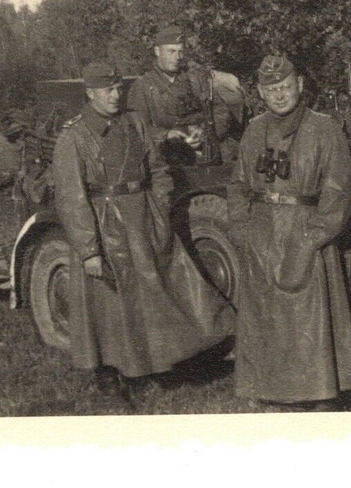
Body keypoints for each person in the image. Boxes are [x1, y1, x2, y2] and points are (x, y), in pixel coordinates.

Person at [52, 60, 235, 398]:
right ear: (90, 94)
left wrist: (160, 206)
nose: (115, 95)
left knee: (156, 294)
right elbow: (71, 198)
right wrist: (88, 249)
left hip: (143, 217)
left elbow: (157, 167)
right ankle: (112, 371)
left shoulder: (133, 122)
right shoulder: (74, 136)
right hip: (104, 225)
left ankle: (161, 361)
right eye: (107, 90)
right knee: (110, 304)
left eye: (118, 88)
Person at [226, 54, 351, 406]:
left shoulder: (324, 128)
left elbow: (339, 191)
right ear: (260, 92)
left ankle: (321, 394)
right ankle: (270, 389)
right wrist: (241, 229)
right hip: (261, 232)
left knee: (308, 322)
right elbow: (239, 184)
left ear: (300, 85)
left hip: (306, 231)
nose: (280, 95)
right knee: (266, 316)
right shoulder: (254, 130)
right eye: (271, 89)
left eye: (285, 87)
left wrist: (311, 239)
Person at [128, 24, 242, 165]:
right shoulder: (143, 86)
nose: (177, 57)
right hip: (169, 153)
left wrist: (205, 133)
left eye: (180, 52)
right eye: (171, 51)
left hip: (208, 148)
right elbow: (138, 128)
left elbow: (221, 111)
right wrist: (167, 135)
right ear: (157, 51)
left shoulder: (196, 78)